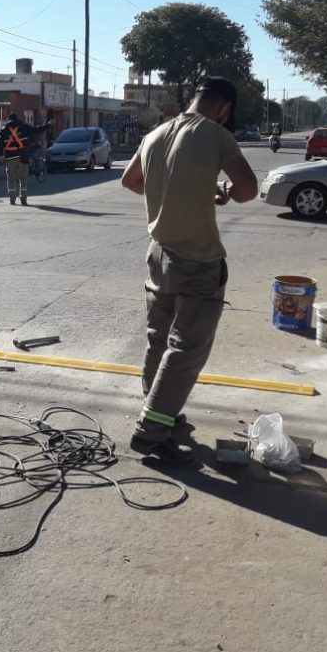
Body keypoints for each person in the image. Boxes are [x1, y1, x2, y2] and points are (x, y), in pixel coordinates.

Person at [120, 77, 258, 463]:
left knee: (158, 342)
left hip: (158, 254)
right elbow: (247, 189)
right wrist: (224, 192)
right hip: (198, 261)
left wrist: (181, 193)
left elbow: (130, 180)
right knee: (185, 350)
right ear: (224, 108)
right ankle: (151, 430)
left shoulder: (157, 133)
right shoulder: (215, 134)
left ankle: (162, 413)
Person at [0, 113, 52, 206]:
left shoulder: (4, 129)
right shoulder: (24, 127)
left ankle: (12, 199)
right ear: (17, 118)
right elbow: (36, 130)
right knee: (23, 179)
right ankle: (23, 199)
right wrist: (48, 125)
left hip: (10, 158)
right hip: (23, 156)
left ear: (9, 119)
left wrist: (1, 155)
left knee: (11, 179)